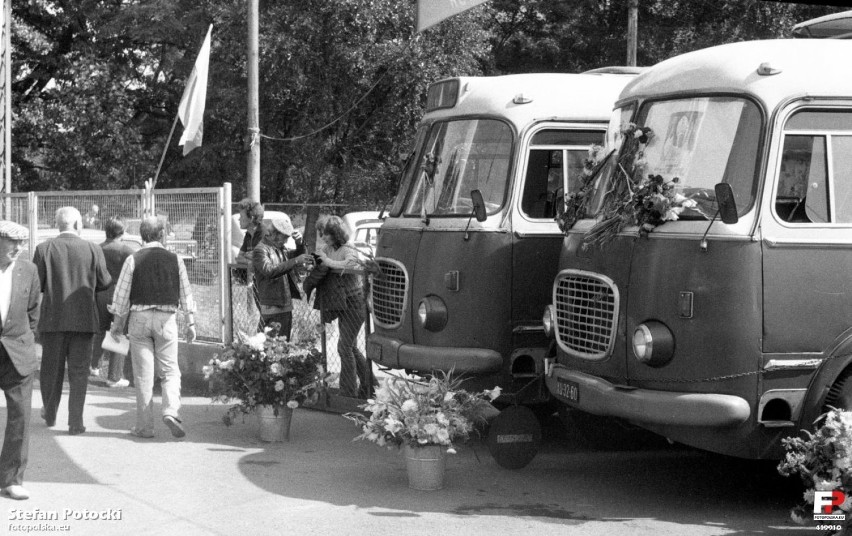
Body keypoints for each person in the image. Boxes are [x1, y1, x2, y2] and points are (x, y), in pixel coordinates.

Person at [109, 216, 196, 439]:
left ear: (141, 236)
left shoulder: (133, 259)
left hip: (139, 318)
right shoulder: (175, 259)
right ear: (163, 235)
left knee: (143, 376)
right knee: (170, 370)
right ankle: (170, 410)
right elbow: (186, 293)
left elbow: (121, 296)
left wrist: (118, 325)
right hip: (167, 319)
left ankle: (145, 427)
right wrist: (191, 322)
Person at [34, 207, 111, 436]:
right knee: (79, 372)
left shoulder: (44, 249)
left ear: (58, 224)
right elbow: (105, 281)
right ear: (78, 224)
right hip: (84, 320)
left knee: (51, 370)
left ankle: (49, 412)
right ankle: (75, 422)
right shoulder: (93, 249)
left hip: (52, 320)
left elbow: (36, 284)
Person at [303, 216, 369, 398]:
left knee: (344, 347)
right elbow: (323, 260)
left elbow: (351, 263)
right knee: (351, 347)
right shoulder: (328, 248)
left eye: (325, 234)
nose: (322, 237)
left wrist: (327, 261)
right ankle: (370, 385)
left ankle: (348, 393)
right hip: (341, 303)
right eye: (321, 233)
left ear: (335, 234)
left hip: (355, 303)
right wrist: (315, 261)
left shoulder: (348, 249)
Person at [0, 221, 40, 500]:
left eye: (22, 244)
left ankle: (11, 479)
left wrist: (26, 342)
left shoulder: (29, 270)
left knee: (21, 416)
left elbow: (34, 311)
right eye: (12, 242)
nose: (18, 249)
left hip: (18, 352)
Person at [90, 216, 138, 388]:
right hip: (120, 295)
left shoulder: (96, 249)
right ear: (123, 232)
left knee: (100, 331)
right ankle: (114, 376)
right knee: (118, 333)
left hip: (100, 293)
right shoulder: (127, 251)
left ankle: (93, 365)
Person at [251, 215, 311, 340]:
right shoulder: (260, 250)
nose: (285, 242)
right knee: (270, 347)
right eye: (284, 238)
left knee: (282, 346)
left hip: (284, 305)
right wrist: (295, 261)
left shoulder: (279, 248)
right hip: (272, 306)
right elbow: (270, 271)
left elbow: (298, 257)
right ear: (274, 235)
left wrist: (300, 244)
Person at [235, 199, 264, 265]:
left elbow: (260, 258)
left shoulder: (263, 233)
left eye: (242, 216)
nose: (239, 219)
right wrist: (249, 260)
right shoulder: (248, 234)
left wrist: (246, 256)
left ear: (251, 218)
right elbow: (239, 258)